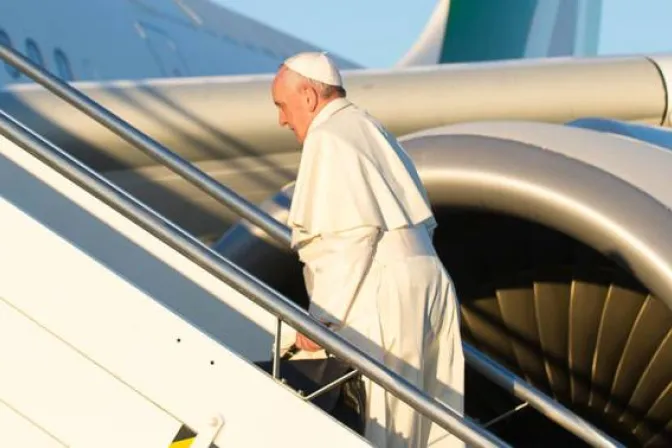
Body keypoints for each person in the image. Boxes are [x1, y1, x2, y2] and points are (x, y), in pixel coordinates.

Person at [271, 51, 465, 448]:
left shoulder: (327, 135)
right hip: (427, 279)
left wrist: (321, 321)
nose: (282, 120)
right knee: (428, 427)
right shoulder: (368, 127)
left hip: (383, 288)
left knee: (380, 425)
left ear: (308, 97)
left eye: (282, 105)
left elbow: (349, 237)